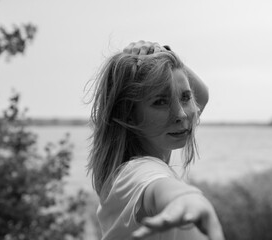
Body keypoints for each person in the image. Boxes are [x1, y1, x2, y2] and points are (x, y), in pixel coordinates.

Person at [87, 40, 225, 240]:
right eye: (160, 102)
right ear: (129, 115)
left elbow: (201, 97)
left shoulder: (120, 169)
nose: (182, 114)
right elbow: (157, 188)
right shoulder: (137, 172)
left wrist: (163, 54)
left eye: (185, 97)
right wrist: (185, 197)